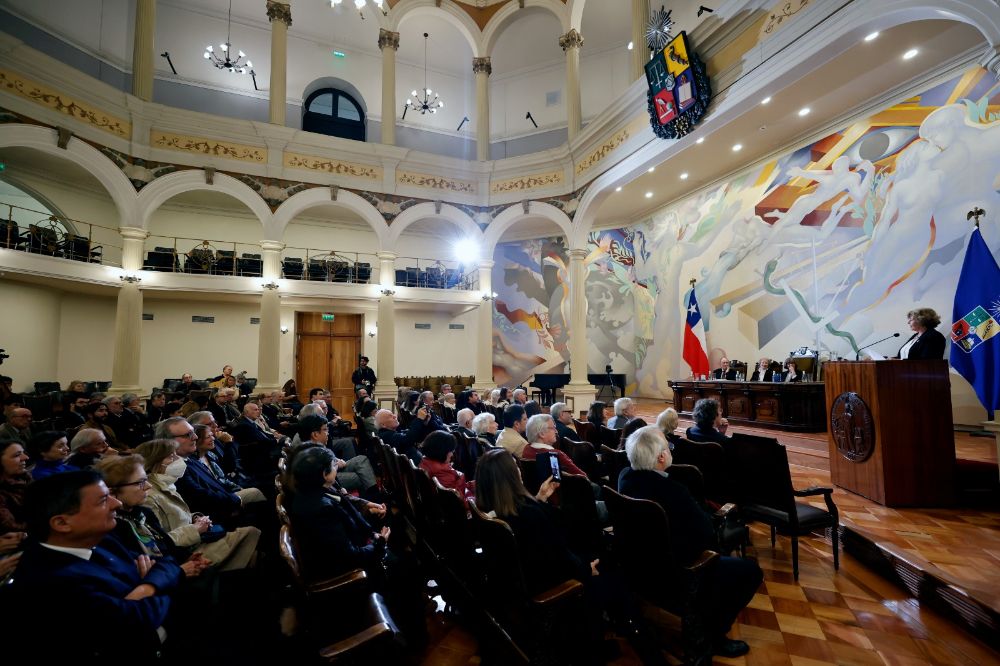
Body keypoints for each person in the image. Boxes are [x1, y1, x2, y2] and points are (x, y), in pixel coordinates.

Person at [619, 426, 762, 659]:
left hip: (639, 565)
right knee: (750, 571)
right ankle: (714, 634)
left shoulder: (625, 477)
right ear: (662, 457)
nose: (670, 450)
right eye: (668, 446)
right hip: (678, 573)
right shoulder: (674, 491)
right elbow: (707, 535)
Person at [12, 470, 183, 659]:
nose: (117, 503)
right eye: (103, 500)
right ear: (61, 523)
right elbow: (137, 621)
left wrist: (144, 589)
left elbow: (168, 563)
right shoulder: (47, 581)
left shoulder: (101, 539)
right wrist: (159, 585)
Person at [135, 439, 260, 571]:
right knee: (253, 535)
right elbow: (162, 541)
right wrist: (195, 528)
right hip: (188, 552)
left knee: (254, 537)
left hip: (198, 539)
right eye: (171, 457)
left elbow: (178, 515)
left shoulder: (166, 484)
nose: (178, 459)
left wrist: (195, 517)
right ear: (154, 462)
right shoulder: (149, 496)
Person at [97, 454, 213, 579]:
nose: (149, 486)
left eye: (146, 479)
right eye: (140, 483)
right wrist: (179, 571)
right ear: (112, 491)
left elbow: (168, 547)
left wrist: (186, 558)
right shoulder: (111, 529)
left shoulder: (144, 513)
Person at [298, 415, 377, 497]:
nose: (328, 433)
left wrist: (335, 461)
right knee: (361, 476)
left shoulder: (315, 446)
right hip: (330, 479)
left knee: (361, 459)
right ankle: (373, 499)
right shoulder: (311, 452)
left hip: (334, 470)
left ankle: (373, 497)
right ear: (315, 434)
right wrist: (335, 464)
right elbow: (325, 476)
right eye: (325, 430)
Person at [419, 431, 474, 504]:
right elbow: (458, 501)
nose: (452, 454)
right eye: (451, 451)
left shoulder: (426, 460)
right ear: (442, 451)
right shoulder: (441, 472)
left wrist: (472, 484)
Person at [521, 414, 585, 476]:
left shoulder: (526, 449)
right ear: (542, 434)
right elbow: (583, 477)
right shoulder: (555, 455)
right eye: (553, 428)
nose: (556, 431)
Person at [0, 439, 31, 533]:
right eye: (17, 455)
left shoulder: (25, 478)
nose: (26, 457)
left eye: (23, 453)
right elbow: (12, 528)